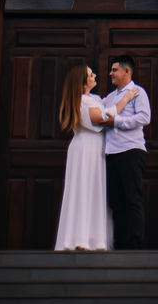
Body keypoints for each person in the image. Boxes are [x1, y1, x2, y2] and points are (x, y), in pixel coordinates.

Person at [53, 63, 134, 252]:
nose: (95, 75)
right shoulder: (81, 100)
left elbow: (104, 109)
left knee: (95, 190)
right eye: (90, 75)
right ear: (82, 83)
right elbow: (102, 119)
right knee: (83, 190)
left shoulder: (95, 98)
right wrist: (125, 99)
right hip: (85, 149)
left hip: (96, 148)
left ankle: (94, 238)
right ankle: (79, 239)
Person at [102, 54, 151, 249]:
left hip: (131, 150)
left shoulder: (138, 92)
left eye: (114, 70)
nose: (110, 73)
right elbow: (104, 117)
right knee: (116, 201)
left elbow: (144, 117)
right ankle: (120, 243)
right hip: (111, 153)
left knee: (132, 198)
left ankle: (135, 244)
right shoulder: (111, 97)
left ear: (126, 71)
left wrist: (118, 122)